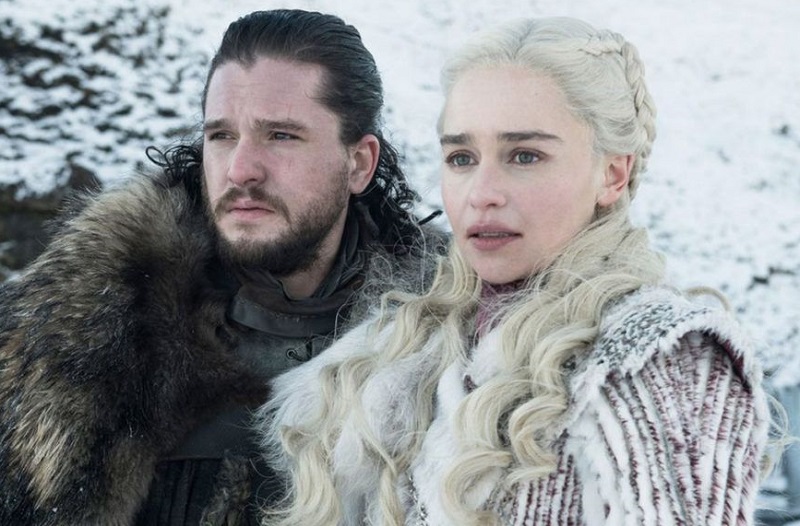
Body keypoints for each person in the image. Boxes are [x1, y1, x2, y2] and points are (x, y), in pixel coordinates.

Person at [262, 16, 775, 525]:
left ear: (613, 174)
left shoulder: (659, 361)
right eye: (462, 158)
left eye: (525, 156)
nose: (481, 193)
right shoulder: (401, 351)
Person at [0, 9, 444, 526]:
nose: (240, 170)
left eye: (281, 135)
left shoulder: (446, 347)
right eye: (221, 136)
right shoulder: (80, 336)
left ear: (359, 163)